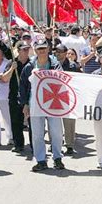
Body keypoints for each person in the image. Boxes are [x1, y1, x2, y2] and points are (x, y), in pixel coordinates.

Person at [20, 39, 65, 172]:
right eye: (39, 49)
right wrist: (25, 104)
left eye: (44, 48)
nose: (42, 51)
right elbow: (23, 87)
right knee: (37, 134)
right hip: (35, 104)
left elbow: (62, 80)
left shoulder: (55, 65)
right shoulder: (29, 67)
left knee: (56, 132)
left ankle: (57, 158)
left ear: (48, 49)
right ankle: (40, 160)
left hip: (53, 103)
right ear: (35, 50)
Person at [55, 44, 81, 156]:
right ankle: (55, 144)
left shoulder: (73, 66)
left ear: (65, 53)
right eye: (56, 51)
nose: (57, 53)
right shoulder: (52, 64)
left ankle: (69, 145)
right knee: (55, 122)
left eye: (60, 51)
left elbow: (79, 80)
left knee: (69, 122)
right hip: (55, 96)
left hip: (69, 97)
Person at [9, 41, 32, 153]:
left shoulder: (32, 63)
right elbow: (4, 79)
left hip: (29, 97)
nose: (26, 51)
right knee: (16, 121)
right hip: (14, 96)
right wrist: (12, 69)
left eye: (28, 49)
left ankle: (34, 145)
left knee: (32, 122)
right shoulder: (12, 63)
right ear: (18, 51)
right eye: (24, 49)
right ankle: (18, 144)